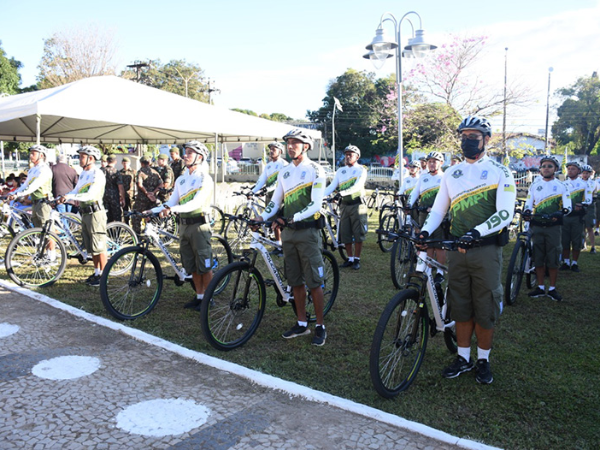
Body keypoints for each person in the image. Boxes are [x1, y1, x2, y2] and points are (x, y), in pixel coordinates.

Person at [418, 116, 516, 385]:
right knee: (460, 305)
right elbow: (439, 210)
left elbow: (505, 213)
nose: (467, 141)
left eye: (474, 137)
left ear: (487, 139)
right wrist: (425, 231)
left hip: (485, 249)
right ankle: (463, 357)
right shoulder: (452, 172)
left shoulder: (500, 171)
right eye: (464, 136)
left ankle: (483, 359)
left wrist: (477, 232)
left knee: (485, 307)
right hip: (456, 250)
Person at [257, 129, 328, 346]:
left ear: (306, 146)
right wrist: (261, 217)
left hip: (307, 232)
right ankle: (301, 322)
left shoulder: (316, 170)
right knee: (295, 280)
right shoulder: (285, 172)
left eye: (295, 143)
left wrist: (291, 218)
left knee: (314, 282)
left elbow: (316, 204)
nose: (290, 146)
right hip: (288, 233)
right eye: (288, 143)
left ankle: (320, 326)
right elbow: (275, 201)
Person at [147, 141, 213, 309]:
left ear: (200, 157)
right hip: (184, 226)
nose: (185, 155)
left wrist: (172, 209)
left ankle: (208, 299)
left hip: (199, 225)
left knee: (204, 265)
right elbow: (171, 202)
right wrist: (151, 211)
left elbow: (196, 203)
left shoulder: (204, 178)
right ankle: (199, 296)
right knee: (191, 265)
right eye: (186, 152)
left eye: (190, 152)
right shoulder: (182, 179)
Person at [56, 146, 107, 286]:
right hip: (85, 212)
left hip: (95, 213)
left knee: (99, 246)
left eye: (82, 157)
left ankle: (104, 275)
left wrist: (70, 197)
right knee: (91, 247)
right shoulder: (84, 173)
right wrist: (65, 196)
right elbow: (76, 190)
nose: (79, 159)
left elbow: (89, 195)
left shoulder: (97, 174)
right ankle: (97, 272)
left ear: (91, 158)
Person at [523, 156, 572, 301]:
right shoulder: (534, 185)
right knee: (538, 257)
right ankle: (539, 287)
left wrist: (561, 213)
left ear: (555, 169)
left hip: (553, 227)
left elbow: (568, 206)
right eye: (543, 166)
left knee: (553, 258)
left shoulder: (562, 186)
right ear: (540, 169)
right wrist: (527, 212)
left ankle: (552, 289)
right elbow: (529, 203)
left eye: (550, 166)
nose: (546, 168)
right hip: (537, 226)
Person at [324, 144, 367, 270]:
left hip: (357, 204)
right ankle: (350, 258)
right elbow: (332, 186)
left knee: (358, 233)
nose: (347, 157)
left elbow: (357, 186)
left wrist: (341, 193)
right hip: (344, 205)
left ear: (357, 157)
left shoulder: (361, 170)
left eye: (350, 155)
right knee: (345, 232)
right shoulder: (340, 171)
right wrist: (320, 196)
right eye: (346, 154)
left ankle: (357, 259)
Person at [8, 146, 55, 263]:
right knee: (40, 231)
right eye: (31, 153)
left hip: (43, 202)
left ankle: (52, 256)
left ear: (41, 155)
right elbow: (25, 185)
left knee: (48, 231)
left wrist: (18, 194)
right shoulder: (33, 170)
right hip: (35, 203)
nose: (31, 155)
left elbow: (33, 186)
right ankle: (44, 254)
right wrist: (14, 193)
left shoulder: (44, 169)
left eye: (34, 153)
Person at [409, 151, 446, 265]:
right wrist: (408, 204)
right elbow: (415, 192)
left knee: (439, 244)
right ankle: (428, 269)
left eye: (434, 161)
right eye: (429, 161)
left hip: (439, 215)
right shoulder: (423, 177)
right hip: (423, 213)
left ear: (441, 163)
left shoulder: (444, 177)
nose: (431, 164)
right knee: (426, 242)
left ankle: (440, 271)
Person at [251, 142, 289, 252]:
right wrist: (252, 191)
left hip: (281, 196)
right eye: (270, 149)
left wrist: (267, 189)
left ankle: (284, 244)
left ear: (280, 151)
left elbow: (279, 182)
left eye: (274, 149)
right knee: (273, 221)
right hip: (269, 196)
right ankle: (278, 245)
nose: (271, 151)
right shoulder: (268, 165)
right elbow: (261, 180)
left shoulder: (284, 164)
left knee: (280, 221)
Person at [560, 161, 593, 272]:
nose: (570, 171)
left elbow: (588, 199)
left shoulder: (584, 184)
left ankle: (574, 263)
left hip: (577, 217)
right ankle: (566, 262)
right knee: (564, 240)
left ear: (578, 171)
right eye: (568, 169)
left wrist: (581, 204)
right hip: (565, 216)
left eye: (573, 169)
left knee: (576, 240)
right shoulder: (563, 184)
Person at [132, 154, 164, 235]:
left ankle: (137, 235)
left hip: (142, 199)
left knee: (136, 216)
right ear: (149, 163)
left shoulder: (140, 172)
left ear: (141, 163)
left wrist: (147, 193)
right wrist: (153, 193)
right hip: (153, 199)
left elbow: (140, 184)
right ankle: (152, 235)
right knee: (152, 217)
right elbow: (161, 184)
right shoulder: (155, 172)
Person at [102, 154, 125, 223]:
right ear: (115, 162)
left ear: (107, 161)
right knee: (117, 216)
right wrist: (123, 198)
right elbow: (120, 186)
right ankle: (117, 229)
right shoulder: (116, 172)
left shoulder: (101, 171)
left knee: (106, 215)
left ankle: (108, 229)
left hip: (103, 196)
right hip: (114, 197)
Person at [580, 165, 596, 253]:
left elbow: (591, 191)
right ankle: (584, 244)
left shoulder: (592, 183)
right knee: (582, 227)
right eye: (584, 173)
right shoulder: (579, 182)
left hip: (589, 206)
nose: (585, 175)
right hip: (581, 206)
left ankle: (593, 246)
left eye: (587, 173)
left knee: (589, 227)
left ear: (590, 174)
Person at [119, 156, 135, 224]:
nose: (125, 164)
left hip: (132, 195)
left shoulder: (133, 172)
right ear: (122, 163)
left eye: (126, 163)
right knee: (125, 212)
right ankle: (126, 225)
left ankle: (134, 226)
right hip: (124, 195)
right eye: (124, 163)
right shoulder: (120, 173)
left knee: (133, 211)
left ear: (129, 163)